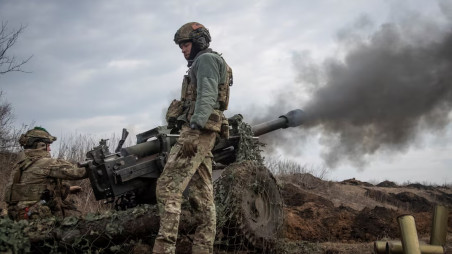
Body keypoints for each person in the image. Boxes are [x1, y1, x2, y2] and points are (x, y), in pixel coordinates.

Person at [153, 22, 233, 254]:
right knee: (203, 196)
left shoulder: (205, 60)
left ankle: (164, 249)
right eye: (181, 46)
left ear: (198, 41)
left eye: (185, 44)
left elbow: (207, 96)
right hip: (205, 131)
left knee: (168, 188)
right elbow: (207, 98)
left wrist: (195, 128)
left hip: (198, 131)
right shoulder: (212, 61)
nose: (183, 49)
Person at [3, 127, 88, 220]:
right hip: (34, 216)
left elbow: (30, 189)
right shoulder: (44, 163)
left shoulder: (21, 163)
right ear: (41, 145)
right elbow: (79, 172)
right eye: (48, 145)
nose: (50, 149)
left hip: (19, 214)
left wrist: (68, 189)